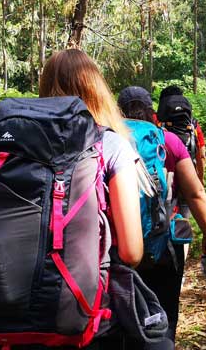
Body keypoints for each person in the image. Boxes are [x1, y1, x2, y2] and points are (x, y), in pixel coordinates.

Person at [36, 49, 145, 349]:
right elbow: (133, 251)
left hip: (13, 314)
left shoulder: (19, 143)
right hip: (89, 319)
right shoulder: (109, 144)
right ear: (96, 88)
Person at [118, 86, 206, 347]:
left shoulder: (106, 140)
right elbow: (196, 193)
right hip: (164, 246)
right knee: (164, 315)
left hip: (118, 249)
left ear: (118, 111)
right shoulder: (169, 141)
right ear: (152, 112)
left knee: (120, 320)